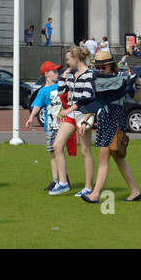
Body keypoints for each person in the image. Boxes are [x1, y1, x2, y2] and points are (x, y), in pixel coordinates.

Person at [79, 49, 141, 203]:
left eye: (103, 67)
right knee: (118, 158)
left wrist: (138, 86)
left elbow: (137, 99)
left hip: (115, 118)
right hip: (106, 118)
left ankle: (95, 194)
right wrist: (87, 119)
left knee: (103, 157)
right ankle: (134, 191)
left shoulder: (122, 79)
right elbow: (96, 102)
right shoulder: (99, 80)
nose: (100, 70)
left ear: (111, 66)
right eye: (98, 68)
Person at [50, 45, 95, 197]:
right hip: (72, 114)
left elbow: (87, 96)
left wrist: (69, 109)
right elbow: (61, 91)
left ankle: (88, 187)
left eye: (68, 60)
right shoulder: (71, 75)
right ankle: (63, 183)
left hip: (83, 115)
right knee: (57, 145)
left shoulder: (89, 74)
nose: (67, 62)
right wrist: (64, 75)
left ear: (76, 59)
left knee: (85, 151)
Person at [25, 61, 65, 192]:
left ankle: (62, 178)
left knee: (59, 150)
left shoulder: (61, 86)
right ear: (47, 74)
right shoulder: (43, 91)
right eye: (54, 71)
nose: (57, 73)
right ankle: (56, 179)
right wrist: (31, 117)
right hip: (50, 125)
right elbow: (37, 105)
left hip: (62, 124)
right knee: (53, 153)